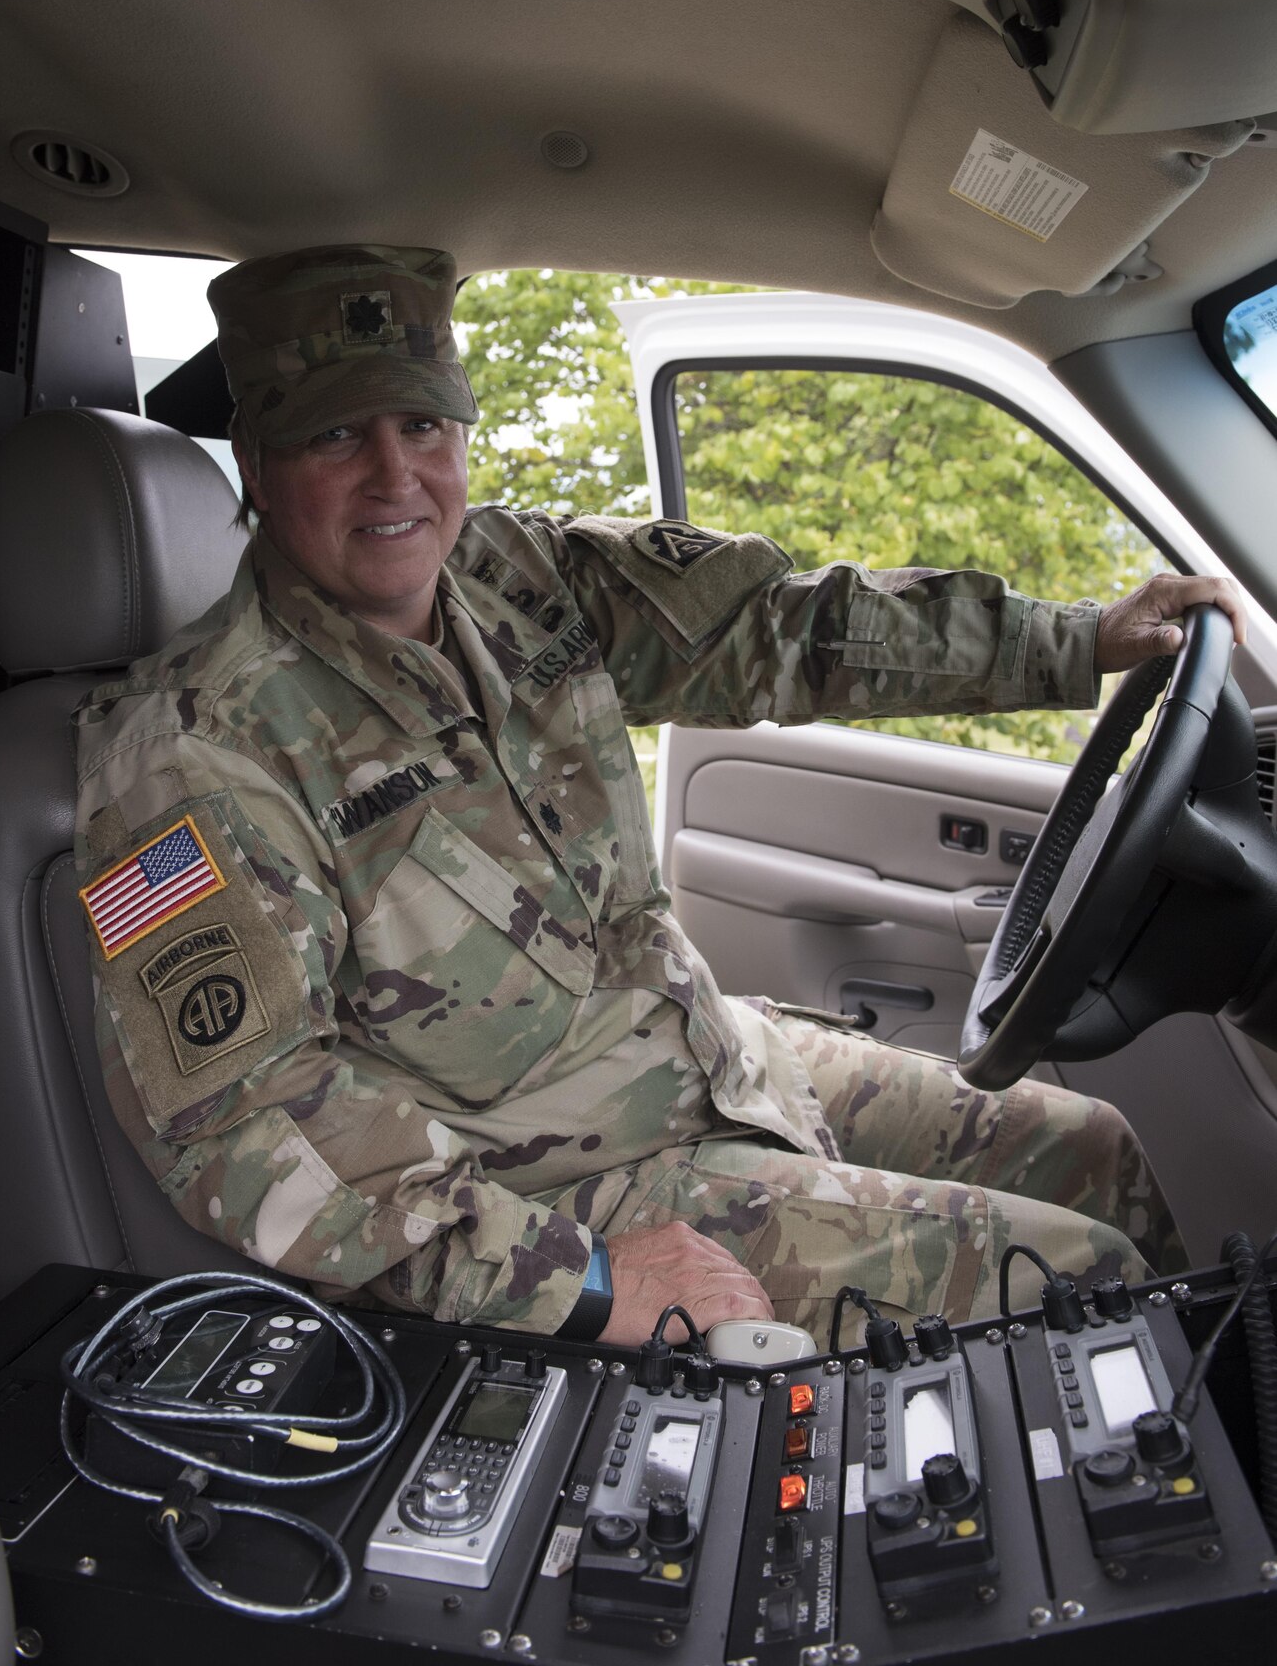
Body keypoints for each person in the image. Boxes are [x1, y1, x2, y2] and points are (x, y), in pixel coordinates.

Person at [74, 245, 1245, 1348]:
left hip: (712, 1061)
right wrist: (577, 1278)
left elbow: (780, 628)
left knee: (1094, 1143)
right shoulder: (190, 754)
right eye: (336, 434)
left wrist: (1079, 640)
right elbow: (248, 1126)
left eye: (423, 422)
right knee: (1084, 1283)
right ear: (262, 464)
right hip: (553, 1200)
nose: (397, 475)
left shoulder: (516, 579)